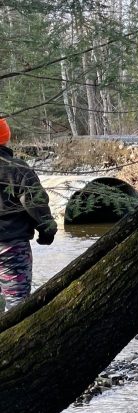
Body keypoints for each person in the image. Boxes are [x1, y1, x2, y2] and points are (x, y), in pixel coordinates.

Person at [0, 117, 57, 312]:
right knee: (16, 304)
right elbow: (36, 203)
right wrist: (47, 230)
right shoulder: (17, 168)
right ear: (6, 138)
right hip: (11, 247)